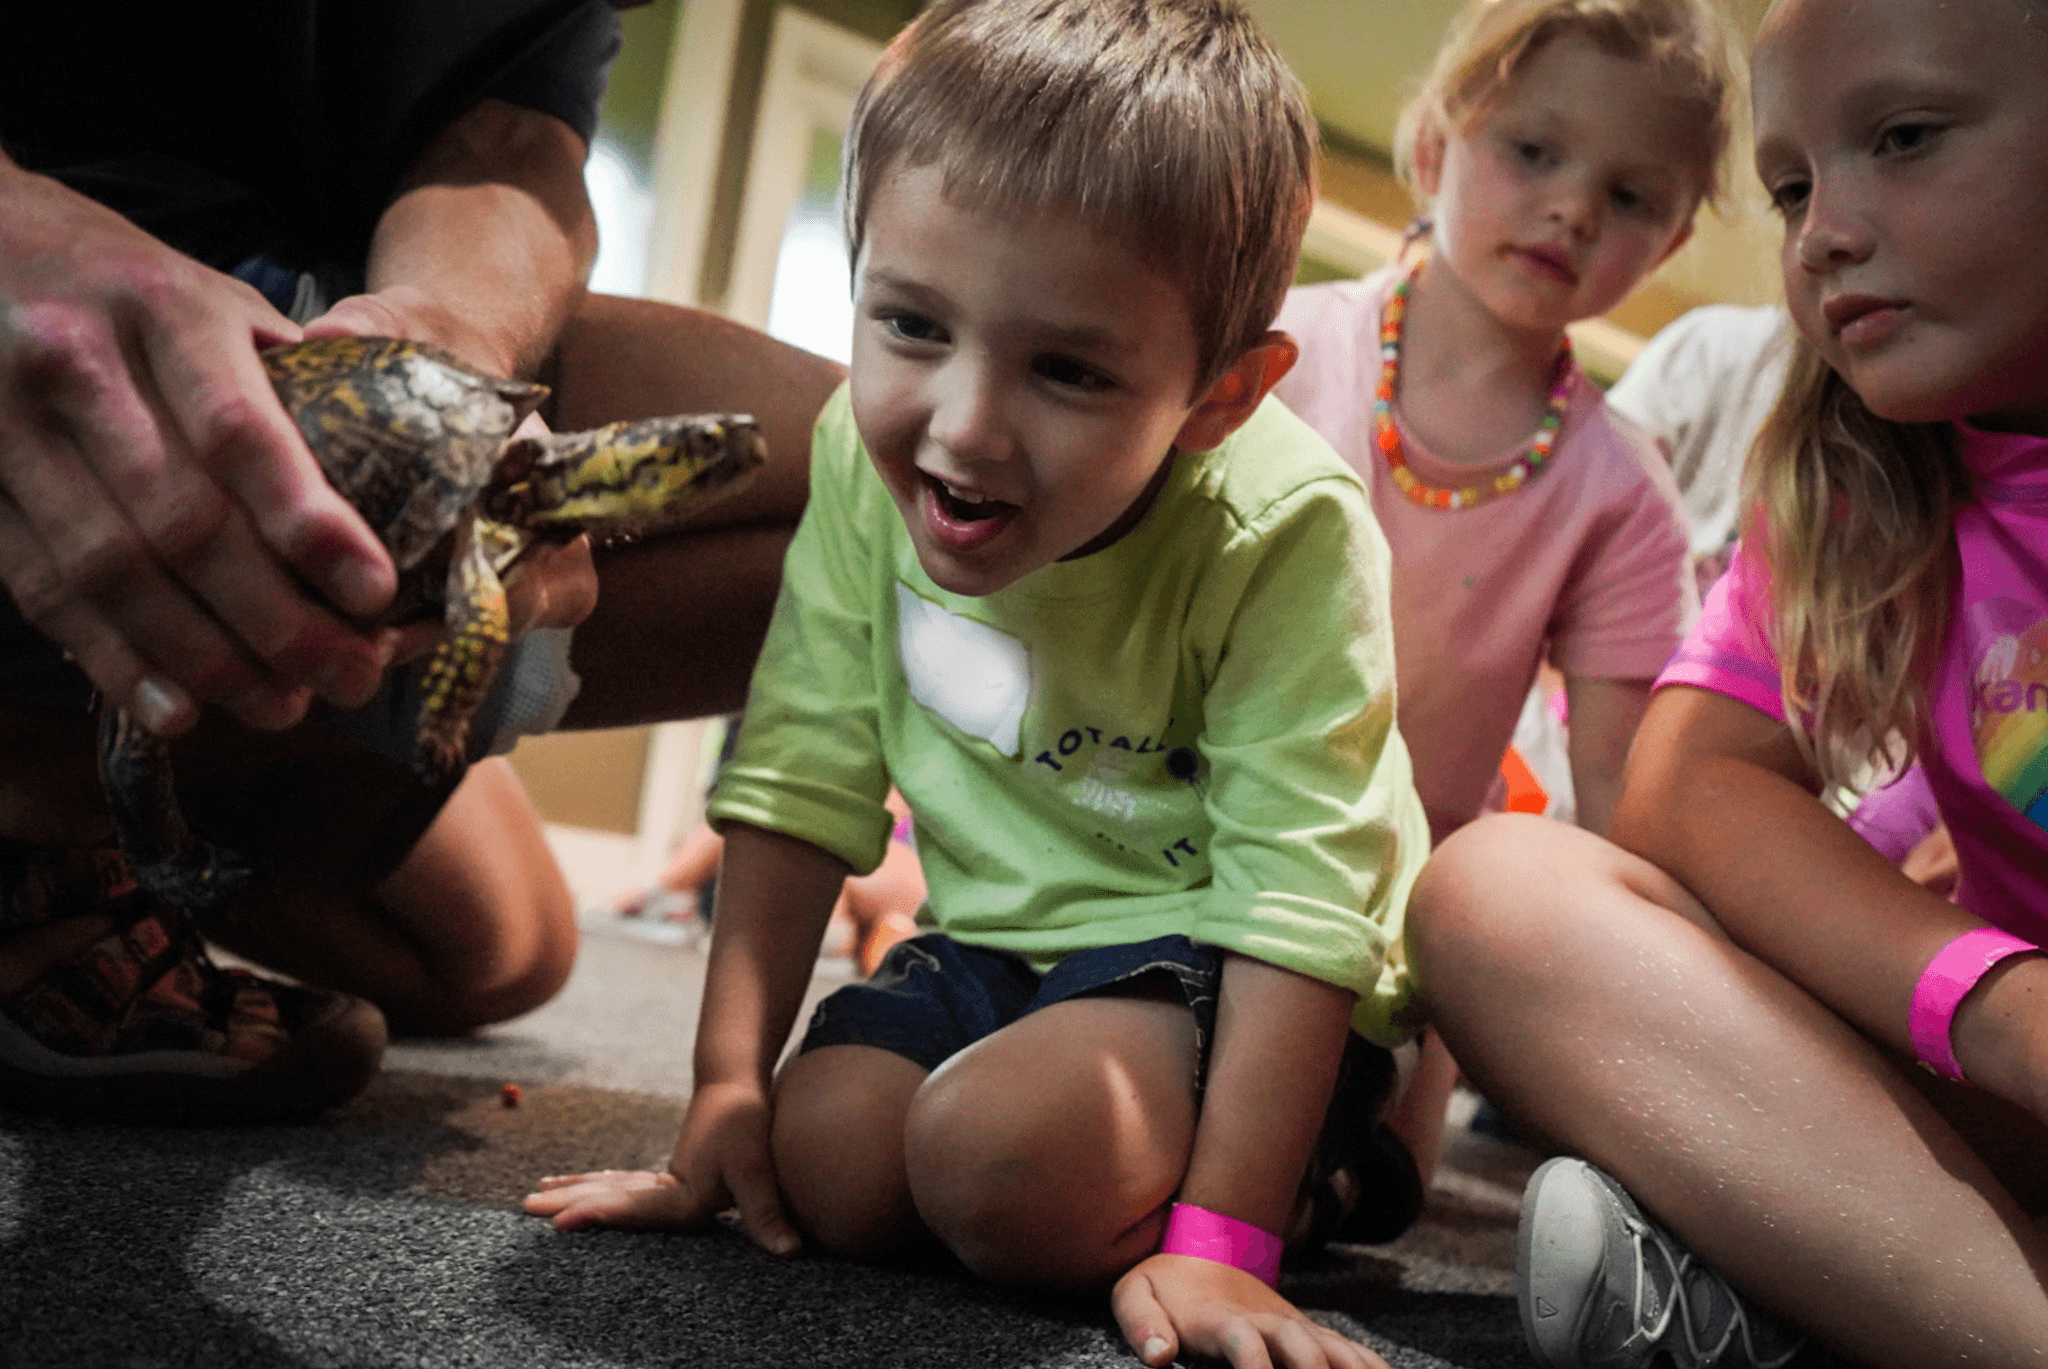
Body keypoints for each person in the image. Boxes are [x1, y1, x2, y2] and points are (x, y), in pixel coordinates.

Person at [525, 3, 1430, 1366]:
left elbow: (1299, 898)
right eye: (911, 325)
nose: (964, 428)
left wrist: (1226, 1240)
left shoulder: (1289, 531)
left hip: (1228, 959)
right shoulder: (851, 452)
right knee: (825, 1165)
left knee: (997, 1168)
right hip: (1001, 938)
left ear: (1221, 397)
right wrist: (720, 1089)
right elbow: (800, 765)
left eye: (1066, 368)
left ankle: (1331, 1168)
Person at [0, 3, 837, 1123]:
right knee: (866, 461)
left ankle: (85, 781)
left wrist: (453, 331)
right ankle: (48, 793)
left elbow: (506, 138)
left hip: (332, 330)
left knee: (500, 948)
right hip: (97, 318)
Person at [1406, 0, 2048, 1365]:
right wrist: (1993, 1006)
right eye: (1795, 184)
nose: (1819, 234)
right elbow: (1689, 783)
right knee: (1497, 891)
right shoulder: (1865, 475)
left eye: (1907, 137)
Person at [1275, 0, 1726, 850]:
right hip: (1161, 817)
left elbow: (1614, 796)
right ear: (1437, 145)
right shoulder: (1277, 355)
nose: (1575, 209)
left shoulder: (1626, 503)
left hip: (1398, 882)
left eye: (1630, 196)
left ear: (1667, 247)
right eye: (1533, 153)